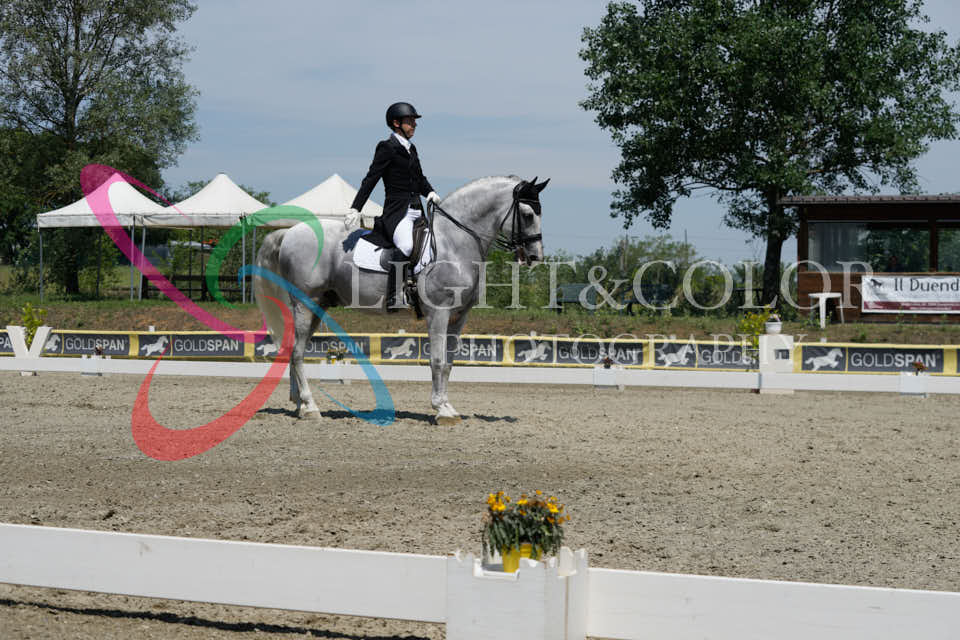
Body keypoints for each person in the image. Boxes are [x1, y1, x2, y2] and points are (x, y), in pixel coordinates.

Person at [347, 102, 440, 311]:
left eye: (414, 121)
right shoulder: (386, 147)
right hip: (397, 214)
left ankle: (420, 291)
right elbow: (371, 179)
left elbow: (419, 178)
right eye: (410, 121)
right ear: (396, 123)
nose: (414, 124)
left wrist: (430, 192)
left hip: (418, 211)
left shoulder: (411, 148)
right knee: (406, 246)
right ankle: (393, 296)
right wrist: (356, 207)